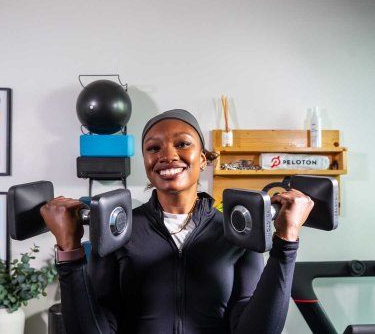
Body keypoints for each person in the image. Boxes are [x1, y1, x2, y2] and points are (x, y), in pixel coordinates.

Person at [41, 109, 314, 334]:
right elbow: (96, 328)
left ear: (204, 159)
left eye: (182, 143)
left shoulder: (236, 233)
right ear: (146, 162)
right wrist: (69, 250)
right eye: (153, 148)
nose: (167, 155)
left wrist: (286, 243)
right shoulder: (118, 231)